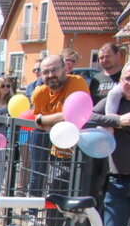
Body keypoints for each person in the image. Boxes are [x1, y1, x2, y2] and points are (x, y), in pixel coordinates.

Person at [87, 60, 130, 226]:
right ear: (120, 80)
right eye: (128, 78)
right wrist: (117, 120)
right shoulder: (113, 100)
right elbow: (90, 115)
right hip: (118, 180)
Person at [29, 55, 90, 205]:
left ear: (65, 69)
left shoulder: (76, 83)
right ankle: (34, 212)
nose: (50, 75)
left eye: (54, 70)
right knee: (46, 184)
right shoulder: (39, 94)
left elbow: (70, 116)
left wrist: (42, 120)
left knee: (75, 196)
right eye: (46, 72)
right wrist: (45, 122)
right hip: (56, 151)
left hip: (79, 152)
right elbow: (40, 123)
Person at [86, 43, 126, 209]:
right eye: (101, 57)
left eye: (107, 56)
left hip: (123, 136)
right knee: (97, 180)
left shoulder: (125, 76)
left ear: (118, 55)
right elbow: (90, 108)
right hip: (100, 136)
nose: (103, 60)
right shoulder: (97, 79)